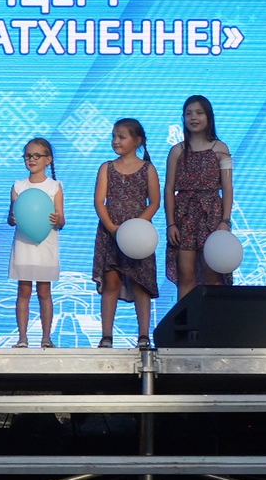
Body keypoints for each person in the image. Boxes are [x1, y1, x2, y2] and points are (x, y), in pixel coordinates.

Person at [92, 119, 160, 348]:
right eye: (114, 136)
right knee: (111, 282)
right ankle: (106, 336)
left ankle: (143, 335)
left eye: (121, 137)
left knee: (140, 283)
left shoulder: (148, 169)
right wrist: (112, 228)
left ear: (137, 140)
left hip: (139, 236)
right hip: (111, 232)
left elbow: (154, 202)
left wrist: (136, 227)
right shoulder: (107, 167)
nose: (116, 141)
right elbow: (99, 201)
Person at [165, 96, 234, 299]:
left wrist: (225, 220)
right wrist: (171, 224)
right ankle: (186, 319)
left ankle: (213, 318)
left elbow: (227, 187)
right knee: (186, 275)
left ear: (208, 117)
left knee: (212, 274)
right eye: (188, 114)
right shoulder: (176, 151)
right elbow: (169, 188)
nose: (193, 117)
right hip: (184, 216)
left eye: (199, 113)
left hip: (212, 215)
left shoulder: (221, 149)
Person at [8, 138, 64, 349]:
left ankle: (46, 337)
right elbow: (12, 217)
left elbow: (61, 220)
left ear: (48, 160)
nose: (31, 160)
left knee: (44, 291)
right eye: (28, 156)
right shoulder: (18, 186)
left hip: (46, 244)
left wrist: (57, 219)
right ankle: (22, 338)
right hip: (23, 244)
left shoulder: (55, 186)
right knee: (23, 291)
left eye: (37, 156)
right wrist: (13, 218)